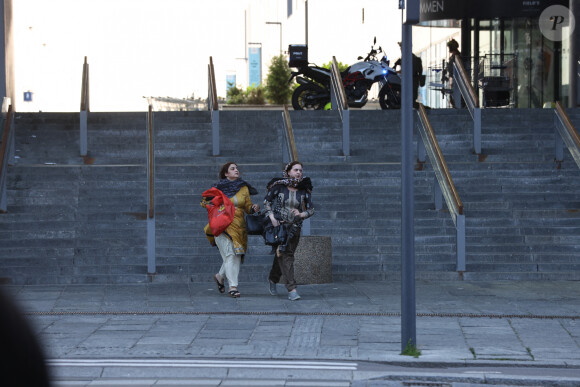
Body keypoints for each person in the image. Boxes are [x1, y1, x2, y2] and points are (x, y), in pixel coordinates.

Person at [201, 162, 260, 298]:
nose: (236, 170)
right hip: (222, 224)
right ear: (226, 173)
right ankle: (233, 286)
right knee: (230, 254)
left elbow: (247, 207)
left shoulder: (243, 188)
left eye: (237, 168)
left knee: (236, 254)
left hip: (239, 226)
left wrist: (253, 208)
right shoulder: (218, 188)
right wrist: (217, 204)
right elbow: (205, 202)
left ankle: (220, 276)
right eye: (232, 169)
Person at [264, 161, 315, 301]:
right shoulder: (278, 186)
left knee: (283, 255)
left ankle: (273, 279)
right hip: (279, 227)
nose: (299, 173)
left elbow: (311, 209)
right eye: (296, 170)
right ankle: (292, 289)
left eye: (300, 170)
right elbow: (266, 202)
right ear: (288, 172)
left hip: (295, 228)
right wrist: (271, 216)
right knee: (286, 256)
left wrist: (301, 214)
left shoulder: (304, 190)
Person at [393, 42, 424, 108]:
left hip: (411, 82)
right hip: (410, 82)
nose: (401, 50)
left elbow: (408, 71)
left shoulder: (410, 58)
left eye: (402, 48)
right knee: (408, 102)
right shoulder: (406, 57)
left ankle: (424, 109)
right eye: (400, 48)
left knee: (410, 102)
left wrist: (397, 72)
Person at [445, 39, 462, 108]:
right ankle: (454, 105)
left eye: (449, 47)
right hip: (452, 77)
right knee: (452, 95)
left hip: (456, 78)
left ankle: (456, 105)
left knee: (454, 94)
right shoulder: (453, 56)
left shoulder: (457, 56)